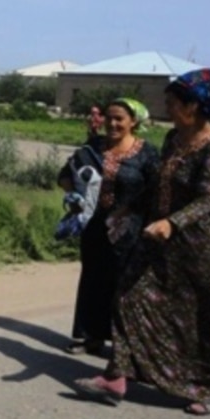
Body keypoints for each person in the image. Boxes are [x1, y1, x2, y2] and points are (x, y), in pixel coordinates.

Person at [75, 68, 210, 416]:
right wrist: (126, 211)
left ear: (194, 105)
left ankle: (207, 388)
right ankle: (117, 376)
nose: (167, 106)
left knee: (203, 316)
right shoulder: (174, 138)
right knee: (128, 296)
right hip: (156, 236)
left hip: (199, 246)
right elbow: (156, 183)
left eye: (174, 102)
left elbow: (209, 199)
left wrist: (172, 223)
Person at [58, 98, 159, 355]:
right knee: (92, 278)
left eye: (119, 119)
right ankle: (88, 336)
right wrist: (73, 196)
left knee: (123, 284)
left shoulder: (146, 153)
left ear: (134, 122)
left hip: (130, 228)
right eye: (108, 118)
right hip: (94, 225)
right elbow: (65, 175)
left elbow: (157, 191)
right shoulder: (93, 148)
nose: (112, 124)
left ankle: (123, 344)